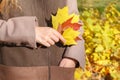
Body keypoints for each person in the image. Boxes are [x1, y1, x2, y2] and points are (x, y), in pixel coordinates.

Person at [0, 0, 85, 80]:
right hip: (15, 71)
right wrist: (31, 32)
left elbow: (74, 21)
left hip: (60, 71)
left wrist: (72, 56)